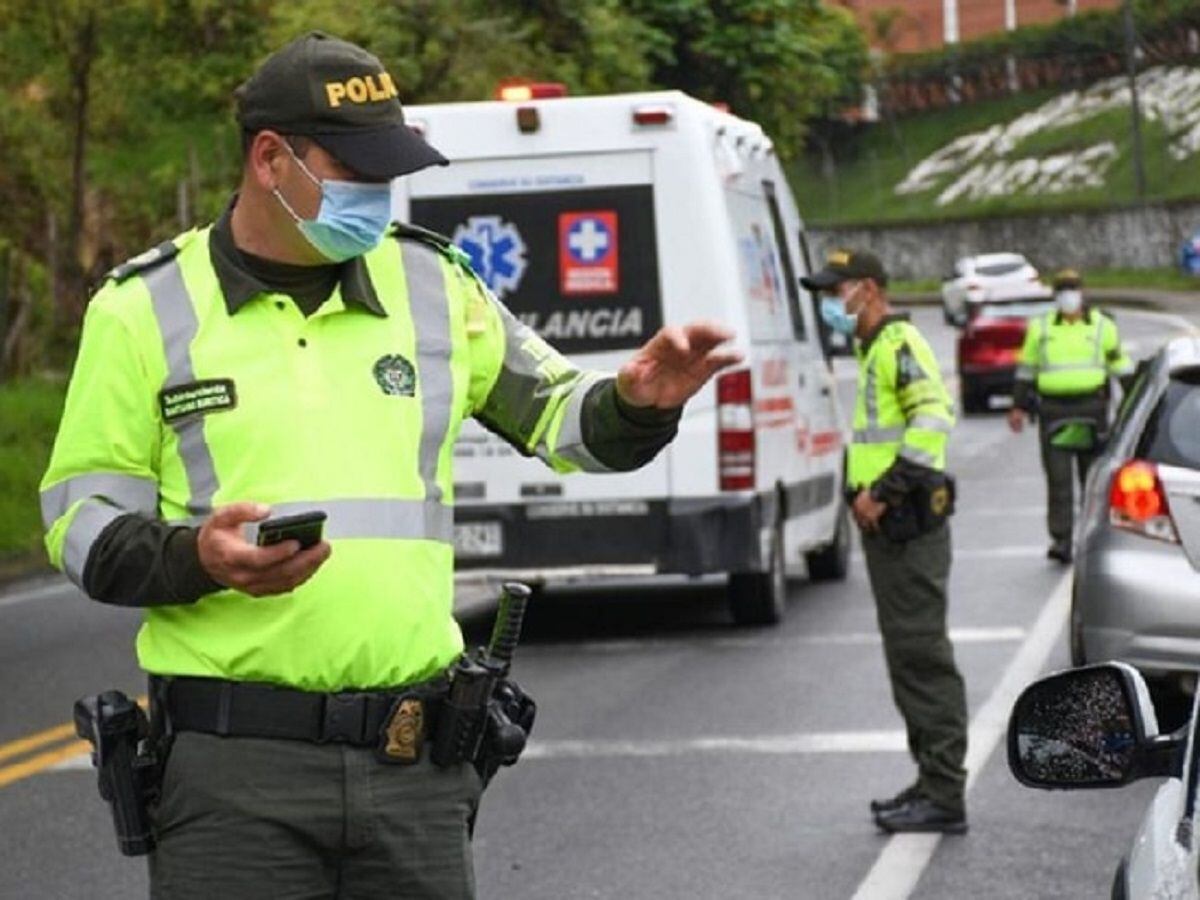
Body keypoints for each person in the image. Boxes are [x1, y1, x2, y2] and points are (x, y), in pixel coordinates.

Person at [39, 32, 740, 900]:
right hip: (233, 778)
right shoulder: (141, 308)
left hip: (415, 765)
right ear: (270, 159)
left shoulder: (431, 284)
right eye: (357, 170)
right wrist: (197, 558)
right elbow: (80, 523)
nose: (379, 192)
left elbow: (561, 418)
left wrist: (639, 400)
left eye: (389, 170)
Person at [802, 249, 968, 835]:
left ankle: (945, 792)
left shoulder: (898, 345)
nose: (830, 303)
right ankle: (930, 780)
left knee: (923, 658)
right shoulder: (873, 350)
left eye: (835, 290)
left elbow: (932, 424)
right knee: (908, 660)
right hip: (889, 530)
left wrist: (883, 492)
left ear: (867, 289)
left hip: (908, 528)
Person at [1008, 269, 1133, 563]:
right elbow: (1027, 370)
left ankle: (1094, 538)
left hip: (1091, 411)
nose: (1068, 295)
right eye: (1063, 290)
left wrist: (1133, 399)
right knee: (1059, 481)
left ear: (1082, 292)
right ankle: (1062, 540)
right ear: (1056, 296)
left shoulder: (1103, 326)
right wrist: (1017, 407)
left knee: (1092, 481)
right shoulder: (1040, 329)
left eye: (1072, 289)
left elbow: (1120, 365)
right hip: (1054, 413)